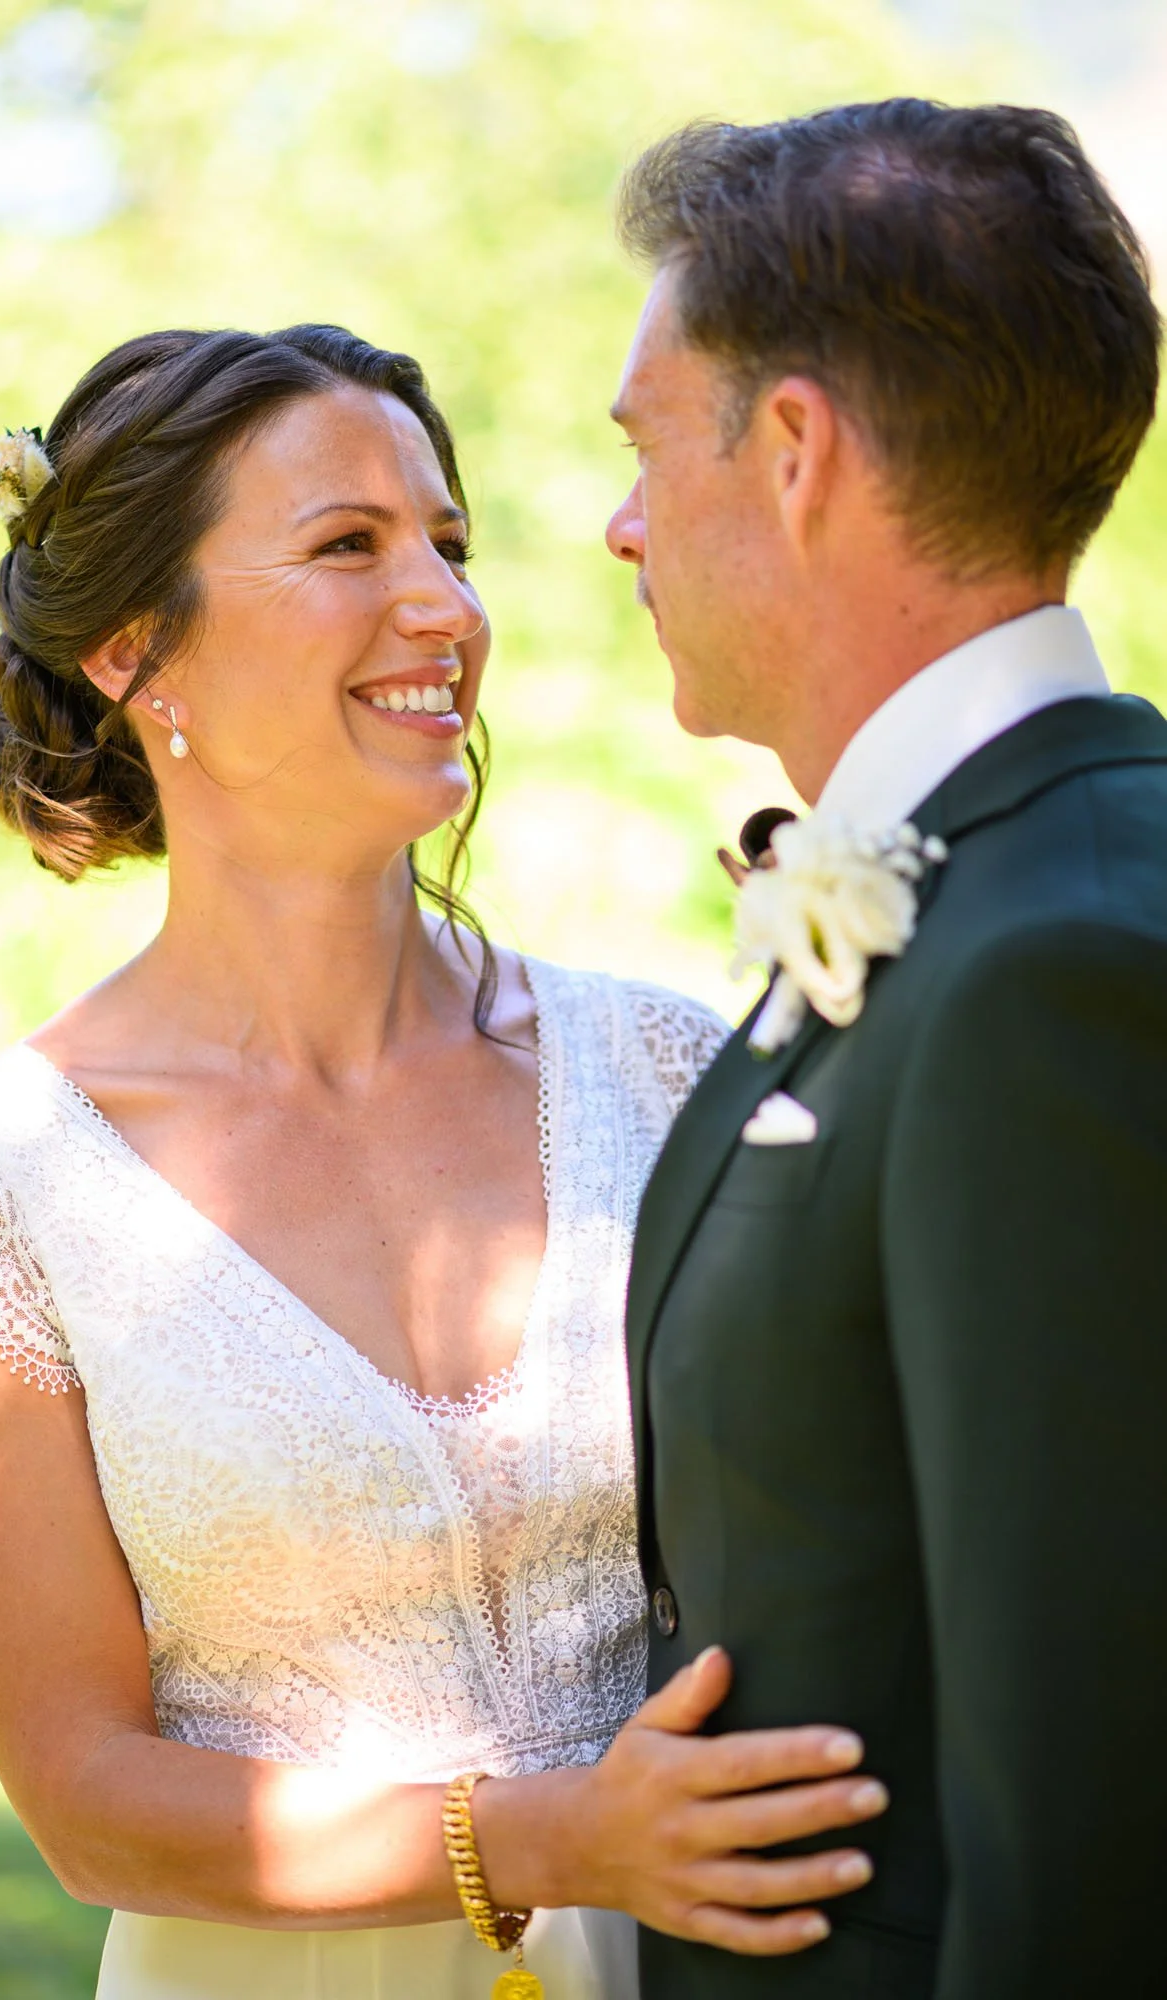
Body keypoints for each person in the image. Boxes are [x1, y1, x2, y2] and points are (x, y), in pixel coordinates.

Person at [0, 325, 892, 2000]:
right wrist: (553, 1841)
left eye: (449, 546)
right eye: (349, 545)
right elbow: (87, 1805)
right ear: (130, 652)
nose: (450, 611)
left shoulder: (664, 1066)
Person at [607, 100, 1167, 1999]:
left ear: (790, 453)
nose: (618, 524)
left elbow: (1097, 1817)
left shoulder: (1058, 963)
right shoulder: (993, 881)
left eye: (641, 445)